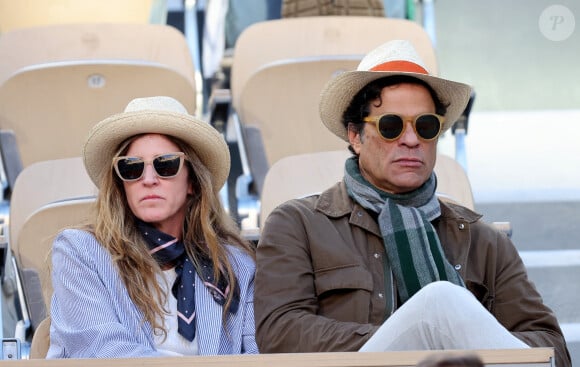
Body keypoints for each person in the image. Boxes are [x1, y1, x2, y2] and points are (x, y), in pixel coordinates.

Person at [253, 40, 571, 367]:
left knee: (441, 305)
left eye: (426, 126)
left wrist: (449, 332)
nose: (411, 139)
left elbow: (551, 349)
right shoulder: (298, 224)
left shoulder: (481, 238)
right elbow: (280, 334)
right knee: (439, 302)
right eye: (391, 126)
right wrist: (413, 333)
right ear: (355, 136)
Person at [47, 96, 258, 358]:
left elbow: (256, 356)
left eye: (166, 164)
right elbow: (101, 352)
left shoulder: (236, 264)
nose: (148, 179)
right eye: (132, 168)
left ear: (192, 181)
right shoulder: (80, 252)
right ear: (121, 184)